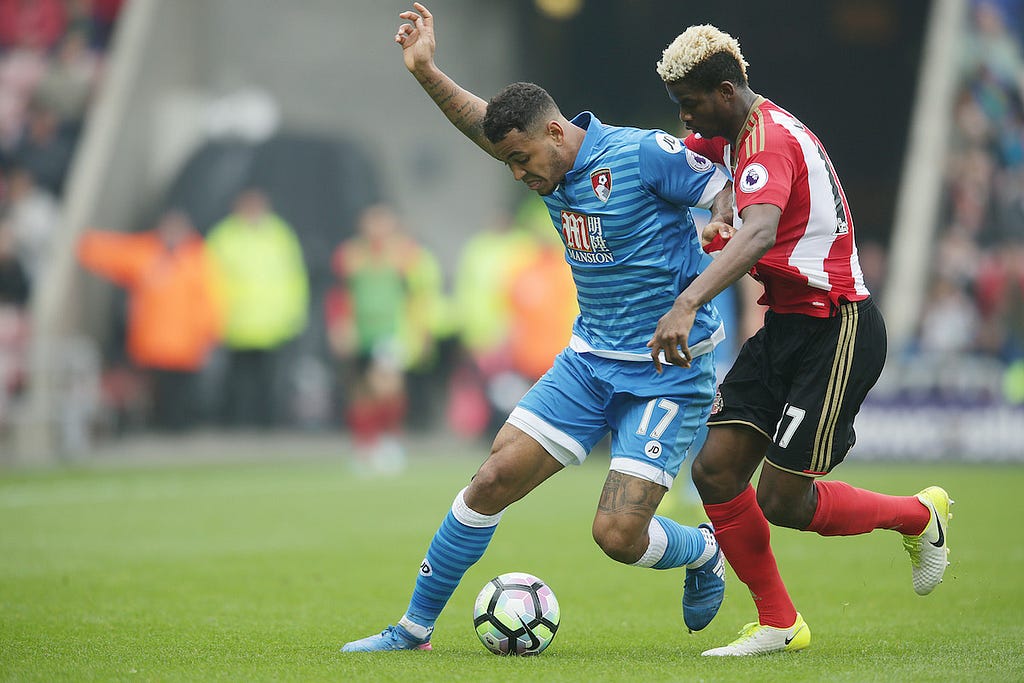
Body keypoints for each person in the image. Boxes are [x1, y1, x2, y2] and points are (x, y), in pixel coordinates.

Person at [341, 3, 733, 653]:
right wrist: (426, 71)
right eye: (512, 165)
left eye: (523, 161)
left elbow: (724, 188)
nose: (521, 177)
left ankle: (701, 550)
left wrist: (698, 279)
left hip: (670, 369)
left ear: (555, 133)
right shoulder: (543, 156)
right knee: (491, 478)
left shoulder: (641, 154)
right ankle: (413, 628)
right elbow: (483, 124)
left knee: (616, 535)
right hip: (587, 361)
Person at [646, 25, 952, 656]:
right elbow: (706, 162)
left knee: (783, 498)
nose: (686, 118)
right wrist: (723, 201)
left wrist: (688, 300)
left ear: (726, 91)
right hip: (787, 323)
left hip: (835, 327)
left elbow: (759, 233)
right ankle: (779, 623)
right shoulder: (738, 131)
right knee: (715, 469)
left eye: (691, 102)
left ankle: (922, 517)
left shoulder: (768, 144)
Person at [76, 210, 222, 431]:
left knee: (180, 393)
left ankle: (178, 432)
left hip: (185, 344)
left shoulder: (198, 258)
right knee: (154, 393)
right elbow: (114, 254)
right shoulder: (147, 253)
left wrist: (208, 334)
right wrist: (85, 243)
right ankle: (158, 432)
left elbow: (210, 301)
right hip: (153, 343)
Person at [205, 188, 309, 428]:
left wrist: (294, 314)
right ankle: (237, 424)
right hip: (237, 323)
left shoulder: (280, 234)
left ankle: (267, 426)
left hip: (272, 324)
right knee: (238, 380)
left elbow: (294, 277)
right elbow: (210, 282)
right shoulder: (224, 236)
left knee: (270, 380)